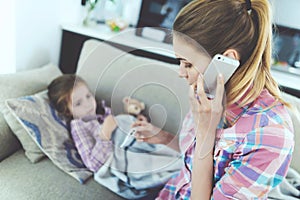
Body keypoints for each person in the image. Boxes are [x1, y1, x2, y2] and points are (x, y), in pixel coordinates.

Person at [132, 0, 295, 199]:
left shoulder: (269, 137)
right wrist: (165, 138)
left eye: (188, 64)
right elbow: (200, 159)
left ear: (227, 60)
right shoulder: (211, 93)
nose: (181, 73)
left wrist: (206, 131)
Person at [47, 74, 183, 199]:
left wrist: (135, 121)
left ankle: (181, 162)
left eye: (88, 96)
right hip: (116, 159)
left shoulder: (103, 112)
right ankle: (178, 169)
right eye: (78, 103)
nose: (88, 103)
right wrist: (105, 133)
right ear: (67, 111)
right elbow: (93, 163)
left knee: (160, 147)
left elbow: (123, 131)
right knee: (169, 168)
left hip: (131, 147)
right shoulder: (79, 126)